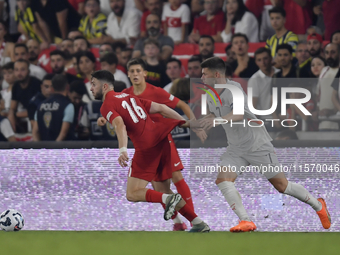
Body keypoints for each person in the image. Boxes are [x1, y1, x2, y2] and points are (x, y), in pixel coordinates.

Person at [188, 56, 331, 232]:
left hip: (257, 144)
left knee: (282, 186)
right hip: (236, 148)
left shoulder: (234, 89)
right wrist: (203, 125)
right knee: (223, 180)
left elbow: (238, 114)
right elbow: (213, 114)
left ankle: (319, 205)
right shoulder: (210, 93)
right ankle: (246, 221)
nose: (201, 78)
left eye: (204, 74)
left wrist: (216, 121)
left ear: (216, 74)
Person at [91, 69, 210, 232]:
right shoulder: (130, 97)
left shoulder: (107, 104)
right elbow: (161, 108)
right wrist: (187, 122)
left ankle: (169, 199)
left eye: (93, 84)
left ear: (104, 86)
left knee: (132, 194)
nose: (91, 88)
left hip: (147, 147)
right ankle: (198, 223)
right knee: (162, 189)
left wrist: (122, 149)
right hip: (162, 140)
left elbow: (119, 124)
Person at [122, 58, 206, 231]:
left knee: (176, 177)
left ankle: (193, 220)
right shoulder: (125, 95)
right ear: (128, 74)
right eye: (132, 71)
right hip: (146, 147)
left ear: (145, 73)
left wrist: (194, 124)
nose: (135, 74)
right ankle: (178, 223)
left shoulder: (156, 92)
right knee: (158, 186)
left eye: (138, 71)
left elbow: (181, 104)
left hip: (163, 141)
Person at [33, 74, 75, 141]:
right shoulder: (68, 105)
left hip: (44, 148)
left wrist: (40, 149)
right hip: (62, 149)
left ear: (52, 88)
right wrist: (54, 149)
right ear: (67, 87)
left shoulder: (40, 105)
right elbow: (63, 134)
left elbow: (35, 132)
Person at [8, 59, 41, 133]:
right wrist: (12, 116)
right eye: (16, 70)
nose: (19, 73)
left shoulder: (36, 84)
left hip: (38, 116)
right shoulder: (16, 86)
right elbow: (12, 108)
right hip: (26, 115)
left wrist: (16, 114)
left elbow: (38, 109)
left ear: (28, 71)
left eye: (22, 70)